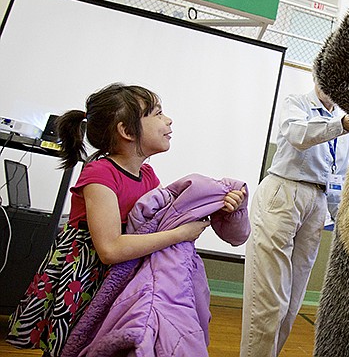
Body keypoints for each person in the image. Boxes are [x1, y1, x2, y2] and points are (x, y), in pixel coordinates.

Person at [6, 83, 246, 357]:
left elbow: (164, 220)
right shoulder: (100, 174)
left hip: (120, 276)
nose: (168, 120)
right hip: (85, 280)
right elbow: (110, 249)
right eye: (156, 113)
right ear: (127, 131)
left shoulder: (148, 177)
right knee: (72, 345)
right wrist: (182, 234)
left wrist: (218, 205)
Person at [240, 81, 349, 357]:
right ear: (317, 76)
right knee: (269, 303)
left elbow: (336, 178)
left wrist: (339, 220)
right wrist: (340, 125)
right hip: (284, 193)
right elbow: (298, 134)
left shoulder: (343, 123)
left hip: (317, 203)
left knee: (291, 306)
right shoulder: (297, 103)